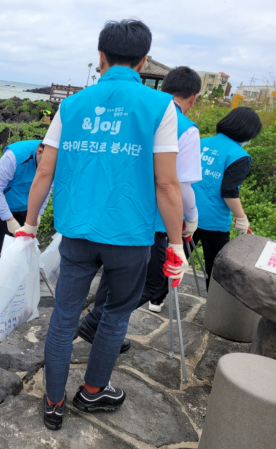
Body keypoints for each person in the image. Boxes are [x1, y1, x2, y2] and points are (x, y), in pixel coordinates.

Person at [17, 19, 187, 431]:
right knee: (114, 316)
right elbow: (166, 182)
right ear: (144, 60)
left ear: (100, 57)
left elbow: (45, 172)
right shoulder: (159, 105)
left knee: (64, 315)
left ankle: (53, 402)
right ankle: (93, 392)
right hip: (129, 238)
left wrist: (29, 223)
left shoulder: (72, 105)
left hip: (76, 232)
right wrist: (177, 244)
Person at [77, 66, 204, 354]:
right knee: (152, 282)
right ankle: (99, 322)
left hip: (119, 212)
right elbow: (179, 185)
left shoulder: (139, 112)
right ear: (193, 98)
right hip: (156, 221)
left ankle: (102, 329)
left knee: (112, 278)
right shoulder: (184, 127)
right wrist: (192, 219)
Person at [191, 107, 262, 288]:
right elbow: (229, 191)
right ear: (247, 132)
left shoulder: (201, 143)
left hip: (185, 212)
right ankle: (214, 310)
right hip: (213, 220)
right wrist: (241, 218)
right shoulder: (239, 155)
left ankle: (156, 299)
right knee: (216, 267)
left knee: (175, 256)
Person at [0, 140, 51, 284]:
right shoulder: (15, 156)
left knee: (24, 246)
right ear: (39, 152)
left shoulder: (55, 157)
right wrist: (9, 219)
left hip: (26, 204)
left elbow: (47, 188)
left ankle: (17, 288)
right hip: (1, 201)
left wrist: (38, 214)